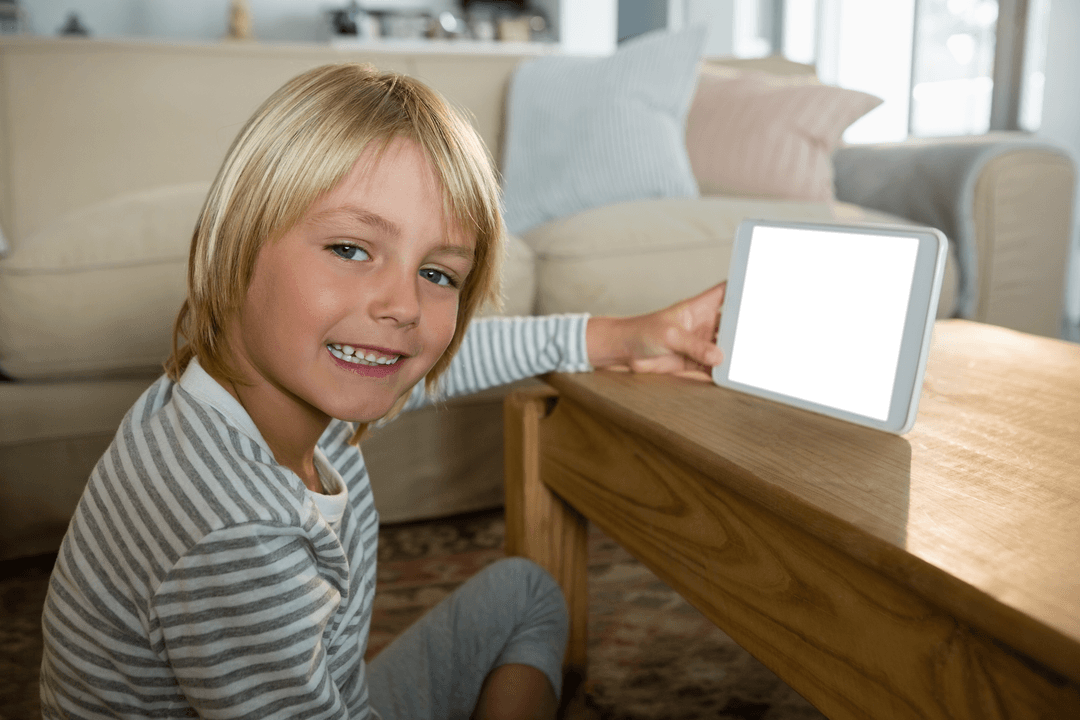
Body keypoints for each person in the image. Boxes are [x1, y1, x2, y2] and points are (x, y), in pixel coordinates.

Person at [39, 63, 727, 720]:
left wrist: (620, 337)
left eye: (437, 274)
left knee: (527, 593)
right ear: (237, 245)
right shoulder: (233, 532)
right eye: (349, 249)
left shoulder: (240, 388)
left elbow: (446, 360)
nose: (402, 305)